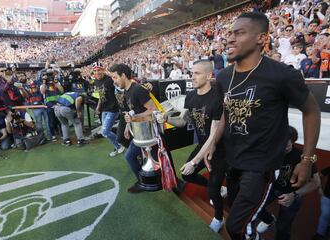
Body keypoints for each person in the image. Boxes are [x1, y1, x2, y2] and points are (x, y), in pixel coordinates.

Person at [203, 12, 320, 240]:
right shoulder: (225, 76)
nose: (230, 39)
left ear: (261, 38)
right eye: (229, 34)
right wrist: (213, 142)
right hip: (233, 159)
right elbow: (228, 110)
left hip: (261, 166)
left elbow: (312, 110)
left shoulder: (281, 74)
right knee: (242, 222)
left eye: (239, 33)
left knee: (236, 227)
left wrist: (306, 160)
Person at [158, 59, 227, 232]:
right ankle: (217, 187)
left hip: (220, 149)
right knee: (187, 176)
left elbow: (214, 136)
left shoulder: (217, 98)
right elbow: (183, 121)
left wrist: (194, 162)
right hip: (204, 144)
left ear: (209, 75)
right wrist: (166, 119)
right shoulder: (191, 96)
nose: (192, 76)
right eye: (191, 73)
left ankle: (219, 218)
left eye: (197, 73)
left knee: (213, 190)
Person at [256, 126, 321, 240]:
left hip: (292, 194)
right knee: (254, 206)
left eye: (287, 143)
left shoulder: (301, 157)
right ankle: (269, 219)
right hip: (272, 188)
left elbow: (315, 183)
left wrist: (295, 195)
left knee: (283, 228)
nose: (284, 146)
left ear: (293, 140)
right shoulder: (272, 152)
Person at [109, 63, 160, 193]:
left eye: (115, 77)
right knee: (131, 156)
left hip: (149, 133)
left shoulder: (137, 89)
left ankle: (167, 183)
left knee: (155, 158)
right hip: (140, 132)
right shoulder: (127, 91)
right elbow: (132, 111)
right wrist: (128, 126)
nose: (114, 81)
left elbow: (153, 109)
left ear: (124, 76)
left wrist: (134, 117)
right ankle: (143, 181)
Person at [93, 66, 124, 157]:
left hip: (113, 109)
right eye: (95, 71)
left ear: (103, 71)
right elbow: (100, 95)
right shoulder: (96, 81)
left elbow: (119, 89)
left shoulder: (109, 80)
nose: (97, 72)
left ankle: (120, 145)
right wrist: (98, 107)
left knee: (105, 132)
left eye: (99, 70)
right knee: (106, 131)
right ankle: (118, 146)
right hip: (104, 109)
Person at [312, 166, 330, 240]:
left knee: (324, 217)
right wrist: (320, 188)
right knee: (324, 217)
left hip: (326, 196)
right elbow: (319, 175)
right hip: (327, 197)